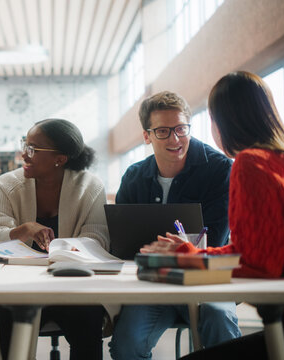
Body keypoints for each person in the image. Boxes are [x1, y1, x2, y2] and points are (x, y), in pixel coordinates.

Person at [143, 71, 284, 360]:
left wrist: (185, 256)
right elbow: (259, 252)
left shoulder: (250, 163)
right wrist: (188, 252)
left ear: (220, 121)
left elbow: (258, 266)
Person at [109, 91, 241, 359]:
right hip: (154, 283)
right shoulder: (134, 177)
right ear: (146, 136)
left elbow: (214, 239)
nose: (175, 139)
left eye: (181, 129)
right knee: (126, 345)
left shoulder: (219, 169)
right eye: (163, 131)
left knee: (220, 318)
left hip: (205, 280)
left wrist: (168, 250)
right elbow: (122, 245)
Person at [0, 118, 109, 359]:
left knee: (89, 314)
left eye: (32, 149)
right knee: (2, 311)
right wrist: (25, 229)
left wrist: (63, 250)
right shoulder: (6, 184)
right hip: (18, 287)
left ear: (59, 159)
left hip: (71, 287)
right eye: (24, 145)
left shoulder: (90, 187)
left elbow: (97, 238)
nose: (23, 155)